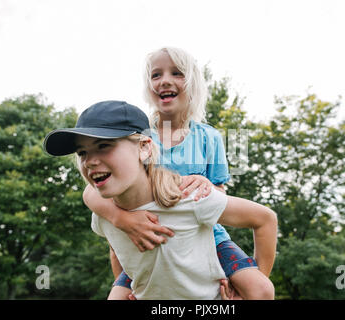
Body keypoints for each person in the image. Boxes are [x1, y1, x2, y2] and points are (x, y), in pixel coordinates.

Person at [83, 47, 276, 299]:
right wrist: (123, 220)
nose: (164, 80)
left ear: (193, 84)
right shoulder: (136, 139)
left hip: (204, 238)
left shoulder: (209, 137)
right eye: (155, 75)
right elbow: (91, 192)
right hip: (145, 236)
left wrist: (205, 184)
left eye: (177, 73)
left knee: (260, 289)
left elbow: (219, 193)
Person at [43, 100, 277, 300]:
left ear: (144, 148)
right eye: (82, 153)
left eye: (104, 146)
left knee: (261, 290)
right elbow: (118, 252)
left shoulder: (189, 196)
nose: (90, 161)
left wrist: (244, 286)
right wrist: (132, 285)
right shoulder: (103, 216)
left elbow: (265, 219)